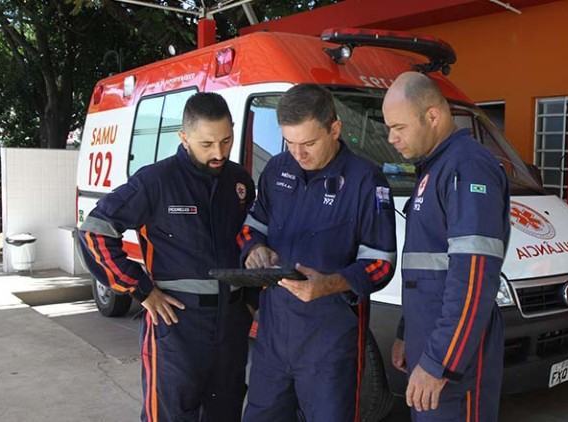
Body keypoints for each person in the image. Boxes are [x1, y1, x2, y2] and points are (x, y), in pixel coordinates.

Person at [77, 92, 256, 422]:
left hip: (231, 323)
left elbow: (252, 241)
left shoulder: (240, 182)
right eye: (206, 144)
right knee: (170, 414)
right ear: (183, 137)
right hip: (176, 324)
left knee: (227, 410)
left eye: (226, 140)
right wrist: (141, 290)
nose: (218, 152)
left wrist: (251, 300)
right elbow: (94, 232)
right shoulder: (156, 181)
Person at [238, 84, 397, 422]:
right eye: (290, 143)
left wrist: (329, 284)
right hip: (274, 335)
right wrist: (255, 249)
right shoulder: (278, 170)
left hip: (331, 345)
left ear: (334, 129)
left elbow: (381, 265)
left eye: (309, 143)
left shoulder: (366, 182)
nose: (299, 154)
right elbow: (251, 226)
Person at [382, 71, 510, 422]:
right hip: (430, 341)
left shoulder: (468, 168)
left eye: (399, 127)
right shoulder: (434, 168)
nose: (391, 138)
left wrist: (440, 363)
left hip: (456, 362)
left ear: (433, 116)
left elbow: (472, 279)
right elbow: (426, 269)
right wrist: (407, 334)